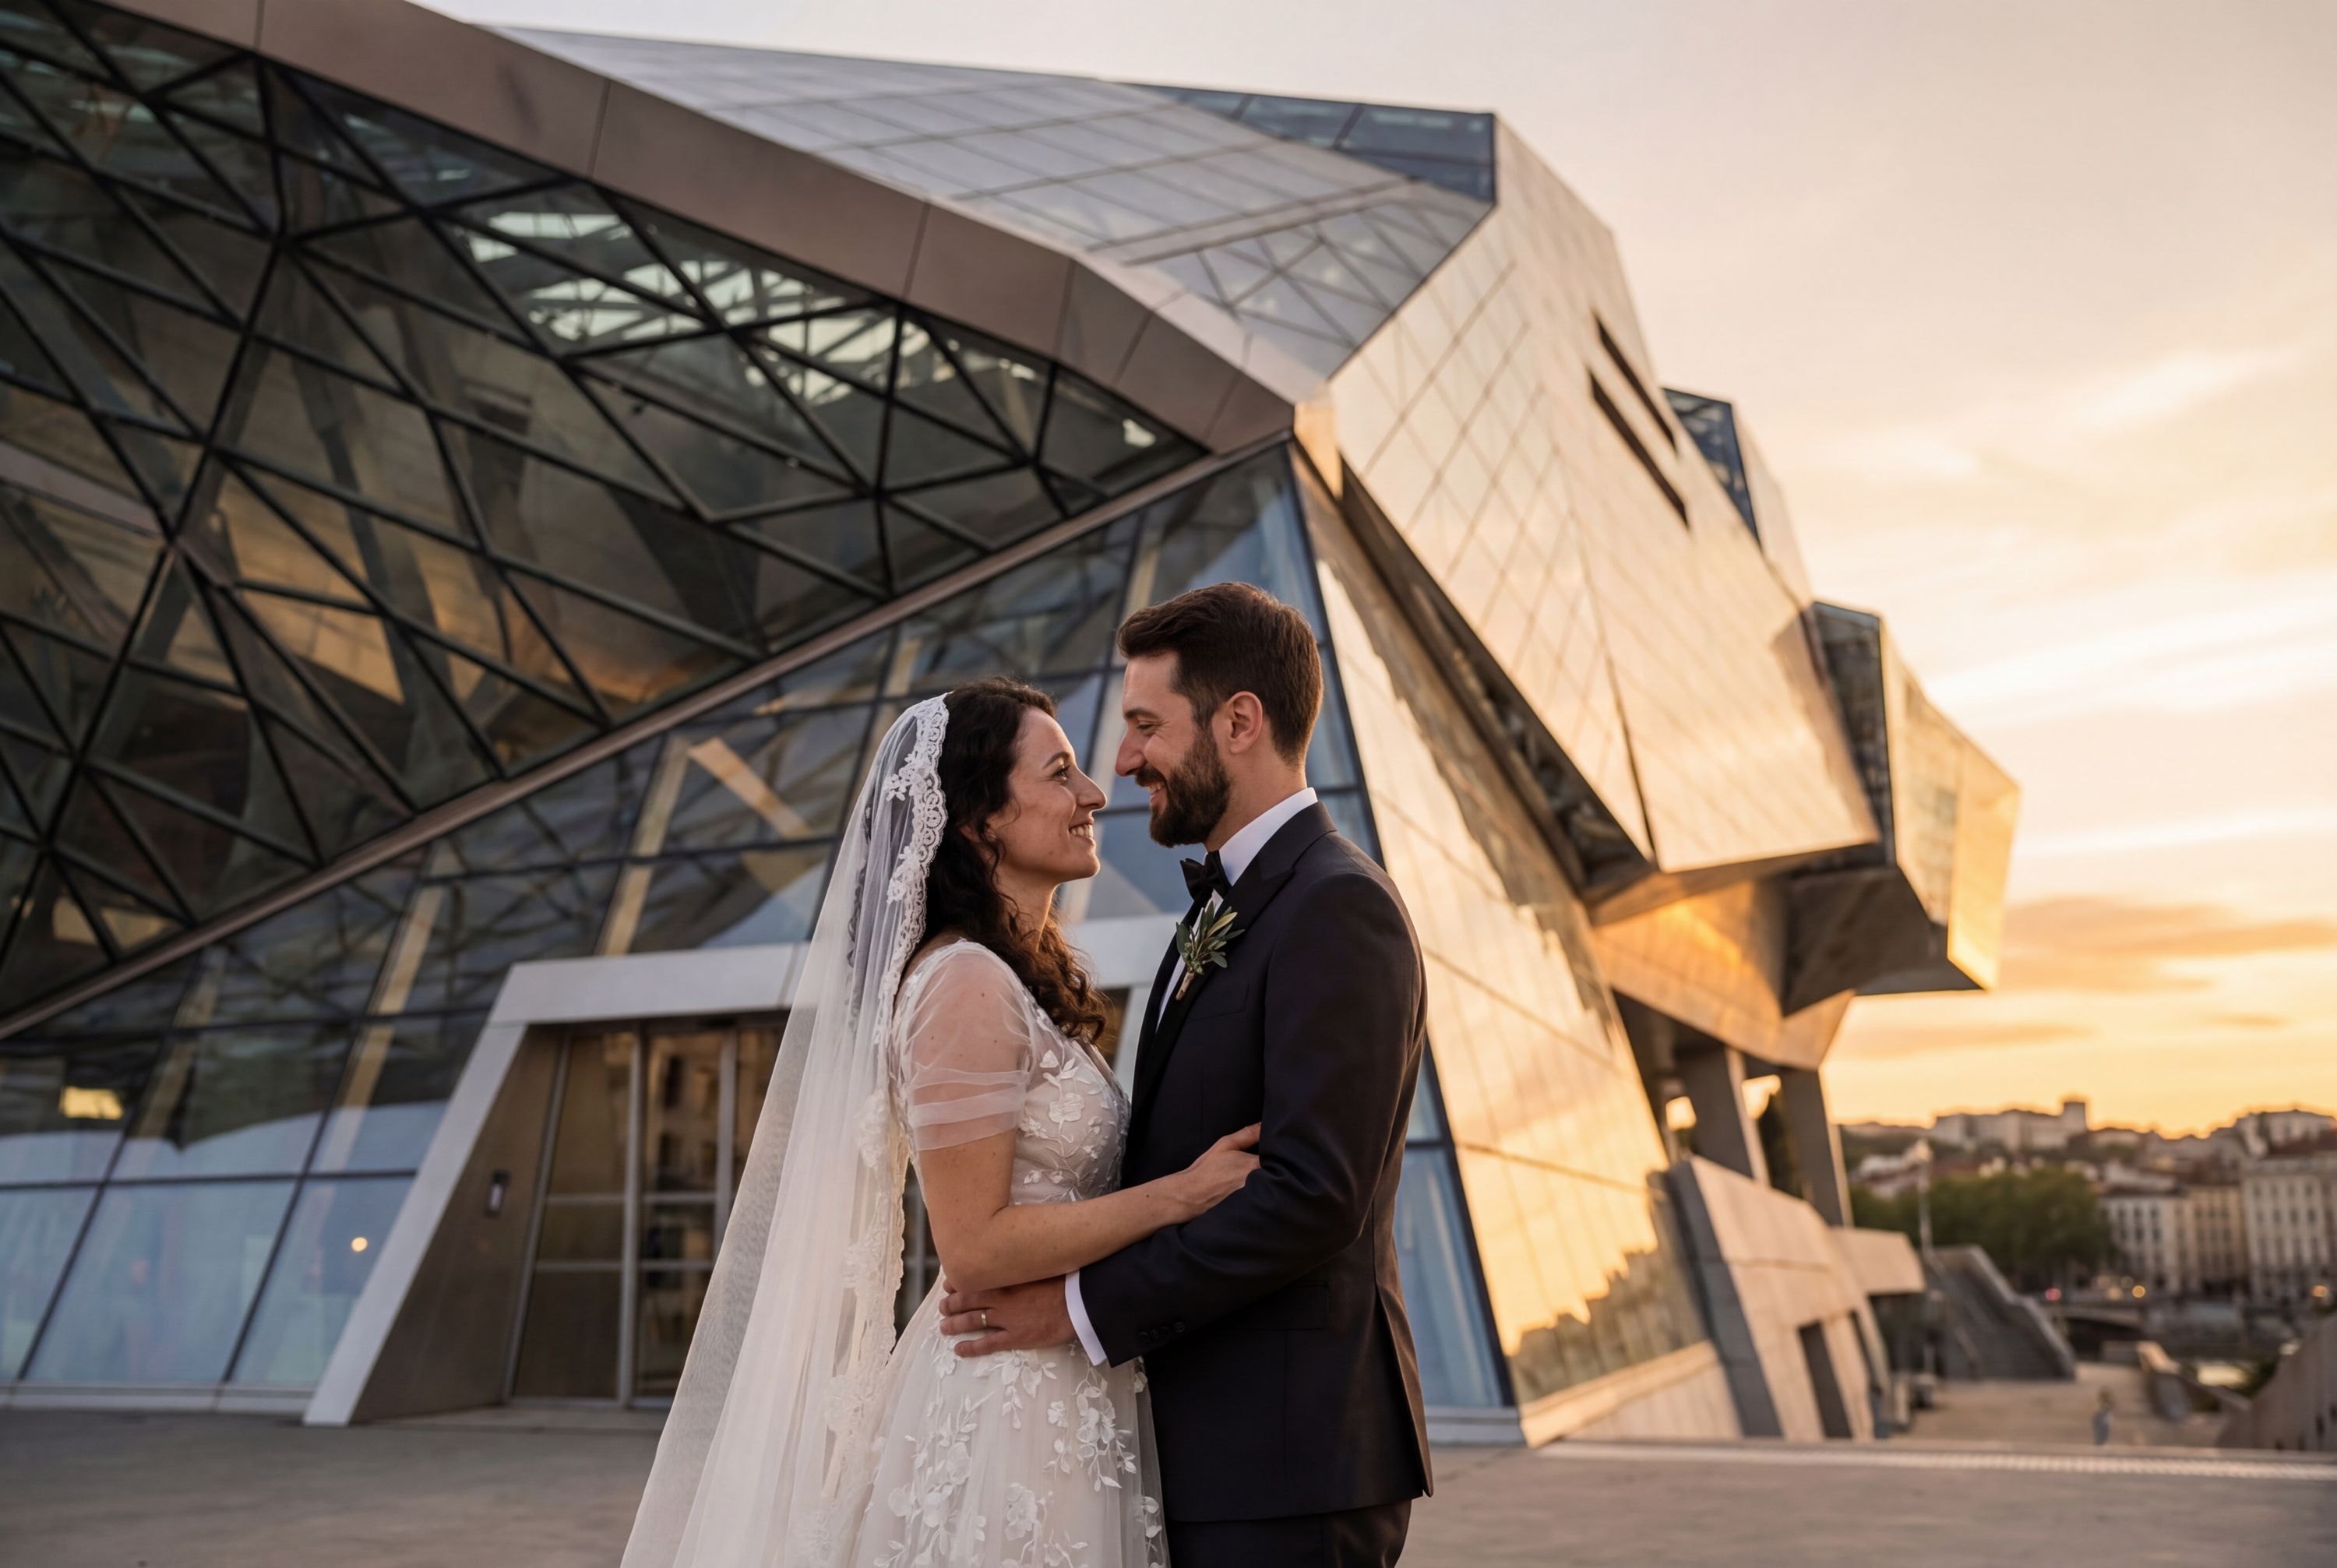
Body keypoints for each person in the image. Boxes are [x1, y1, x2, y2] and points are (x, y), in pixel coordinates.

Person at [622, 676, 1260, 1567]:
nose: (1092, 796)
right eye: (1059, 773)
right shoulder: (963, 982)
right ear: (979, 821)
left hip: (1061, 1383)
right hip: (1005, 1408)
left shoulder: (1009, 977)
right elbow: (975, 1247)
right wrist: (1178, 1198)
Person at [940, 583, 1433, 1568]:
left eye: (1144, 726)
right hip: (1208, 1449)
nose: (1122, 765)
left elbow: (1309, 1196)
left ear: (1239, 722)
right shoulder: (1221, 912)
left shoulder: (1338, 908)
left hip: (1288, 1462)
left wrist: (1076, 1311)